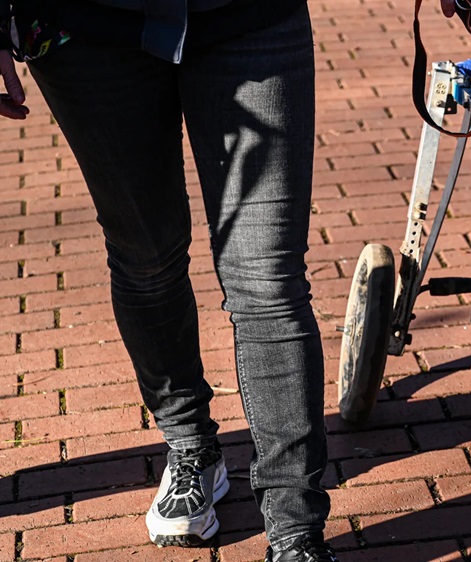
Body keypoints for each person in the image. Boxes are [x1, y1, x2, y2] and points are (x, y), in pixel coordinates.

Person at [0, 2, 337, 561]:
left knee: (267, 280)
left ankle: (296, 531)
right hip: (85, 28)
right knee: (146, 259)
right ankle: (192, 448)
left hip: (248, 17)